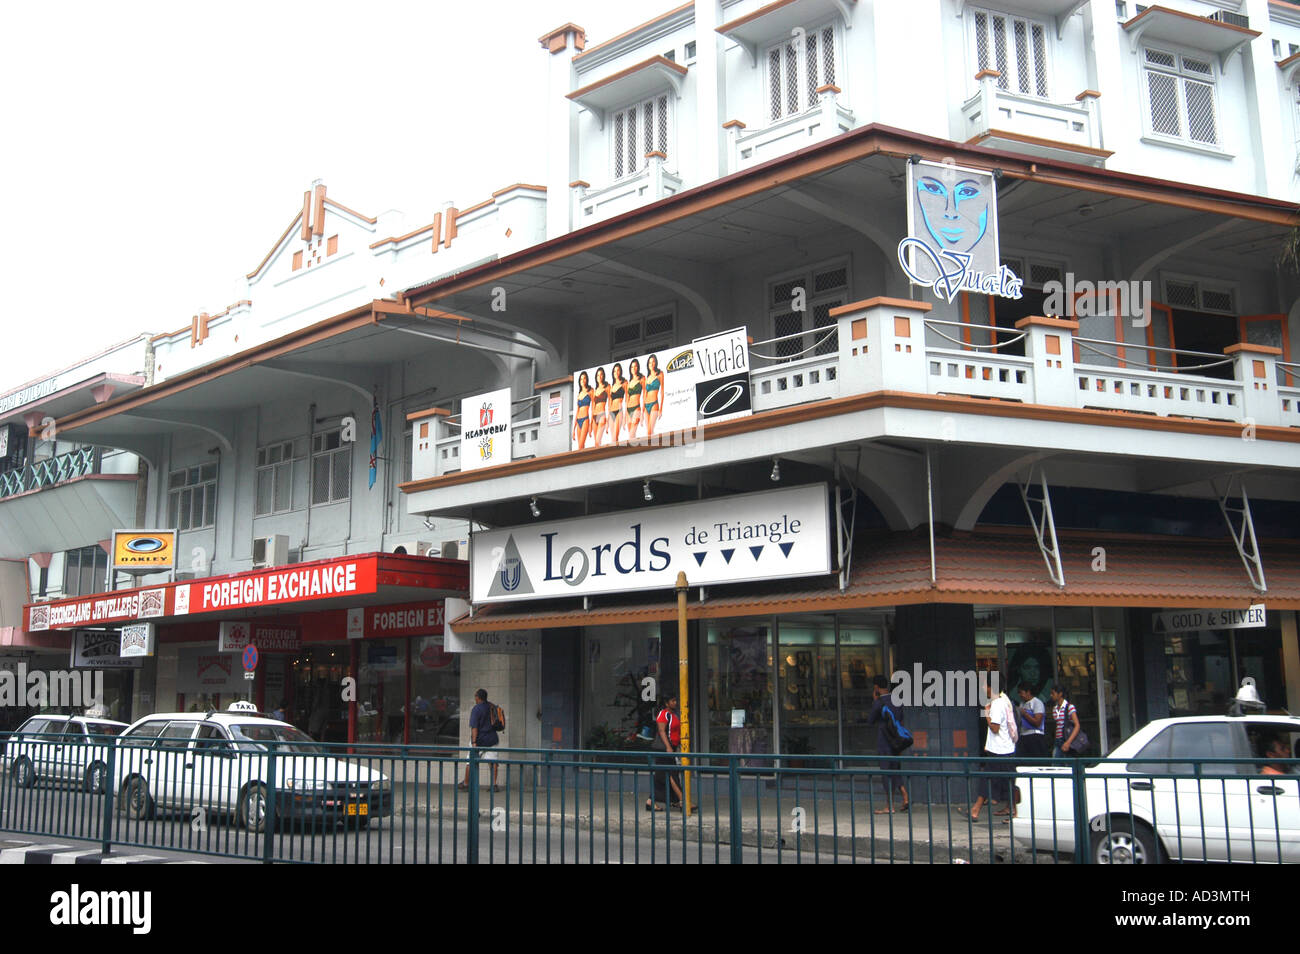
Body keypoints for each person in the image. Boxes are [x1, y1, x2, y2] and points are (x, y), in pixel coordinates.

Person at [968, 681, 1016, 822]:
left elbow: (994, 728)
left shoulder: (998, 704)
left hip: (1001, 750)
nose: (983, 688)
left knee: (999, 781)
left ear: (991, 687)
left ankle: (977, 809)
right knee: (997, 780)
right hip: (999, 748)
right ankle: (977, 809)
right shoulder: (999, 702)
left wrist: (987, 712)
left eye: (984, 685)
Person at [866, 674, 909, 813]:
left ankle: (889, 806)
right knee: (895, 768)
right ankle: (905, 796)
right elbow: (901, 719)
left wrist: (874, 701)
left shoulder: (879, 703)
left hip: (884, 741)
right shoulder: (896, 700)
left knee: (886, 772)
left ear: (876, 687)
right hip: (896, 740)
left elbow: (870, 720)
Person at [646, 693, 684, 811]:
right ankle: (682, 800)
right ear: (666, 703)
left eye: (675, 700)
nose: (675, 703)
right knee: (671, 774)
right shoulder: (663, 714)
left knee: (662, 775)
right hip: (664, 749)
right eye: (672, 701)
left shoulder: (673, 714)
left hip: (671, 747)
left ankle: (651, 801)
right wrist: (668, 747)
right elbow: (662, 731)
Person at [459, 688, 501, 792]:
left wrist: (474, 742)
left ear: (478, 697)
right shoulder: (491, 706)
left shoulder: (476, 709)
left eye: (475, 696)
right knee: (493, 762)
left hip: (479, 740)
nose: (475, 698)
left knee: (470, 761)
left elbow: (474, 727)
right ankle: (494, 784)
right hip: (492, 739)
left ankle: (466, 783)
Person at [1015, 681, 1047, 759]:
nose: (1020, 695)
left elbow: (1037, 722)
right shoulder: (1022, 703)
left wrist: (1025, 714)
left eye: (1021, 692)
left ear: (1028, 692)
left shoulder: (1037, 703)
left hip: (1035, 736)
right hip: (1023, 735)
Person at [1049, 683, 1082, 758]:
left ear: (1060, 694)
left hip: (1066, 739)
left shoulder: (1070, 707)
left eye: (1053, 693)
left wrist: (1068, 742)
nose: (1051, 695)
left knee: (1066, 763)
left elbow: (1077, 725)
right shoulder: (1054, 709)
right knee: (1056, 764)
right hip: (1057, 740)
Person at [643, 353, 665, 438]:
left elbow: (662, 392)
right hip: (646, 406)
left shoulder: (660, 374)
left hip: (654, 404)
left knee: (649, 431)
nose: (651, 364)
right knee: (649, 432)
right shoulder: (647, 377)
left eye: (653, 362)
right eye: (649, 362)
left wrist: (661, 409)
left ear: (656, 363)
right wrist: (643, 409)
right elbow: (645, 394)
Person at [573, 371, 593, 449]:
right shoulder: (579, 394)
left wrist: (591, 424)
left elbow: (593, 407)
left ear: (587, 379)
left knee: (581, 444)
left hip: (585, 419)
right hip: (578, 420)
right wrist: (573, 429)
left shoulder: (591, 391)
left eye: (584, 378)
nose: (583, 380)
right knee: (580, 447)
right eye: (581, 379)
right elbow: (577, 412)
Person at [607, 363, 626, 444]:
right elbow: (609, 403)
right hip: (612, 412)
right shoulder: (612, 386)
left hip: (619, 410)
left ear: (620, 372)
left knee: (615, 437)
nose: (616, 372)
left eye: (618, 370)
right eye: (614, 371)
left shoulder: (624, 383)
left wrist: (626, 416)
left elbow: (627, 399)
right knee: (613, 438)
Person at [591, 366, 610, 446]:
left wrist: (608, 419)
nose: (599, 377)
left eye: (601, 375)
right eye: (598, 375)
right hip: (594, 416)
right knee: (596, 444)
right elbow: (593, 406)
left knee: (597, 441)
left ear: (603, 376)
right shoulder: (595, 390)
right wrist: (591, 420)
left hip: (601, 415)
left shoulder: (607, 387)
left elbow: (610, 403)